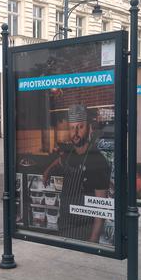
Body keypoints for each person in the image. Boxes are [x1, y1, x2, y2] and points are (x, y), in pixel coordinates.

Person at [43, 104, 111, 242]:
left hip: (84, 228)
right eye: (72, 127)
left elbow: (100, 208)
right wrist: (48, 170)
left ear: (89, 128)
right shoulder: (70, 154)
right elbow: (59, 160)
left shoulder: (97, 161)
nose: (75, 133)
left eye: (80, 127)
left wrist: (93, 240)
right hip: (64, 223)